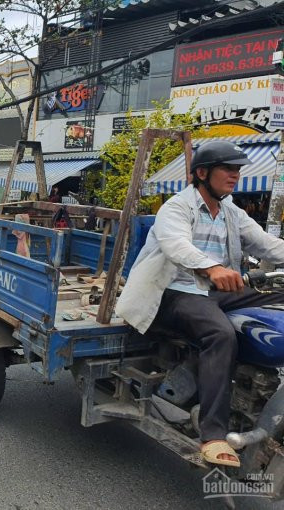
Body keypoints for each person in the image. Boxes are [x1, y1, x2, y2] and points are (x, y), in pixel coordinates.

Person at [116, 141, 284, 469]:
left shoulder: (232, 212)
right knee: (221, 335)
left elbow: (267, 244)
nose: (235, 175)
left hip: (217, 292)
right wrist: (212, 267)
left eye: (238, 169)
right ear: (203, 173)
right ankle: (213, 436)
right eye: (228, 169)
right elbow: (176, 244)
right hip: (175, 293)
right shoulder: (177, 208)